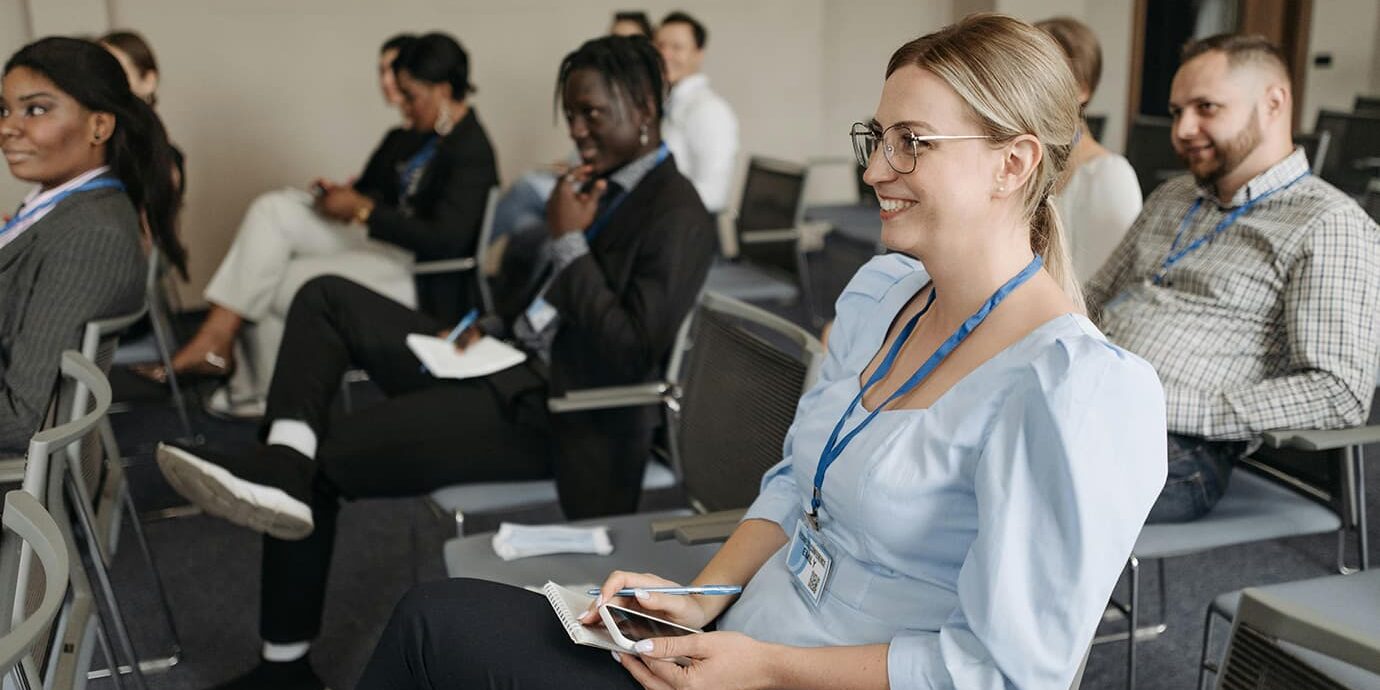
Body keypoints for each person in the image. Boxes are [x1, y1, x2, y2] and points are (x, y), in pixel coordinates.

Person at [354, 14, 1167, 689]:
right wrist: (700, 597)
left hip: (782, 675)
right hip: (739, 646)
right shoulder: (885, 295)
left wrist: (770, 667)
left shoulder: (1075, 390)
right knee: (435, 615)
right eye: (876, 137)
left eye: (912, 142)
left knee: (434, 630)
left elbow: (1002, 674)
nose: (875, 168)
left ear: (1014, 163)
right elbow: (793, 484)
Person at [153, 35, 716, 690]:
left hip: (560, 414)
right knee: (324, 296)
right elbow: (553, 306)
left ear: (645, 108)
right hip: (504, 360)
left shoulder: (679, 213)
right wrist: (493, 325)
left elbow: (633, 348)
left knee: (327, 464)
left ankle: (285, 666)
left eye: (592, 114)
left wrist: (566, 240)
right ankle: (282, 455)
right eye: (571, 114)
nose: (578, 131)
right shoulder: (596, 187)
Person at [1087, 34, 1380, 523]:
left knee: (1002, 475)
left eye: (1206, 108)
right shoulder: (1175, 194)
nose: (1183, 129)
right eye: (1178, 110)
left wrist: (1185, 410)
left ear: (1273, 103)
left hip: (1179, 444)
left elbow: (1339, 392)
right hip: (1088, 397)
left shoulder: (1327, 223)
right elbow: (1095, 295)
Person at [140, 33, 497, 406]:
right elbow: (374, 190)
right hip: (381, 243)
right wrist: (341, 197)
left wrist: (363, 210)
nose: (402, 104)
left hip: (421, 272)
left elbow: (447, 239)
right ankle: (218, 344)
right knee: (272, 208)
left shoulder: (471, 149)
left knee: (276, 281)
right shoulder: (408, 137)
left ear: (441, 90)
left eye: (411, 96)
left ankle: (254, 390)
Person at [0, 37, 184, 454]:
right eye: (5, 109)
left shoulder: (90, 236)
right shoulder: (67, 206)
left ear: (99, 126)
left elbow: (20, 418)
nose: (8, 127)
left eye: (36, 109)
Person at [1036, 16, 1142, 280]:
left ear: (1082, 90)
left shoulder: (1109, 175)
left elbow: (1104, 288)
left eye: (1043, 75)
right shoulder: (1022, 162)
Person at [655, 10, 739, 213]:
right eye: (660, 46)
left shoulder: (708, 110)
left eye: (677, 47)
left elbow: (714, 194)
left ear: (698, 54)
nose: (665, 55)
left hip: (691, 231)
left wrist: (648, 203)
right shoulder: (668, 104)